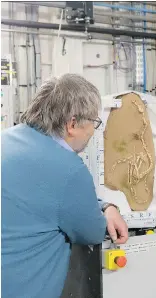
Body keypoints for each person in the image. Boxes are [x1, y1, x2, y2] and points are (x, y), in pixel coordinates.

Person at [1, 74, 129, 298]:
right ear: (72, 124)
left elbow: (43, 196)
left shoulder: (6, 140)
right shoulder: (68, 168)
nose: (93, 131)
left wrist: (103, 204)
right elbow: (92, 232)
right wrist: (109, 210)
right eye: (94, 123)